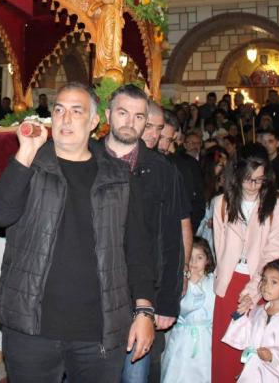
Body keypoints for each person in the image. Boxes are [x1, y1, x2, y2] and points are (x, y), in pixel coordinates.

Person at [0, 82, 156, 383]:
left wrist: (144, 311)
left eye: (77, 111)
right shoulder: (31, 164)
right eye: (59, 110)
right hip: (31, 327)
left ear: (94, 121)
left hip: (98, 330)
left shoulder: (118, 177)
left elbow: (137, 249)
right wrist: (26, 152)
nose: (65, 118)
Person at [105, 91, 186, 383]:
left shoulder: (162, 169)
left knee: (134, 375)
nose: (130, 122)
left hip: (142, 294)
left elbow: (172, 239)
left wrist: (167, 301)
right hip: (92, 292)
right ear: (108, 116)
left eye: (139, 116)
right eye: (123, 113)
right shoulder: (88, 158)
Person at [211, 152, 279, 383]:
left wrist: (254, 290)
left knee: (257, 352)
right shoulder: (222, 202)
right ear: (237, 175)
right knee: (227, 354)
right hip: (229, 283)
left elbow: (275, 251)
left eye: (259, 180)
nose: (254, 186)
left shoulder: (278, 202)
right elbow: (220, 250)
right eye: (248, 179)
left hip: (265, 283)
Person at [221, 259, 279, 382]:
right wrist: (242, 312)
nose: (266, 286)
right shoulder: (258, 311)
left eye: (274, 282)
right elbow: (242, 338)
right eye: (264, 280)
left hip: (277, 376)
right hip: (253, 374)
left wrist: (272, 356)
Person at [161, 238, 215, 383]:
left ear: (207, 260)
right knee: (178, 373)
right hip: (182, 338)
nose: (194, 262)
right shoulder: (180, 282)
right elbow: (184, 308)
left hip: (205, 339)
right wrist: (191, 284)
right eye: (190, 257)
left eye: (199, 257)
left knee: (204, 373)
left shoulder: (213, 281)